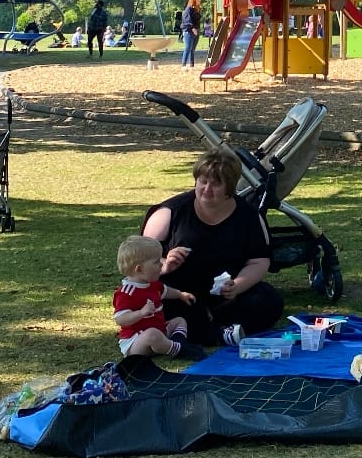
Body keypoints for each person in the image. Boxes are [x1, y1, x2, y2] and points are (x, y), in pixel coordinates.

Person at [142, 149, 284, 346]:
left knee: (269, 300)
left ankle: (206, 327)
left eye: (216, 183)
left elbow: (259, 261)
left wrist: (237, 285)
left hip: (225, 296)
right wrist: (164, 265)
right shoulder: (169, 213)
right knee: (154, 303)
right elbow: (139, 260)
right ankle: (216, 330)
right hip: (178, 294)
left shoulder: (249, 217)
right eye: (203, 181)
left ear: (230, 188)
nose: (207, 189)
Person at [112, 236, 202, 360]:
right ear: (139, 269)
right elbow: (121, 319)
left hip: (160, 333)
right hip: (136, 343)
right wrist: (141, 313)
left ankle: (178, 343)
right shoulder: (126, 292)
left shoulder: (152, 284)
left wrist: (180, 294)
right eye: (156, 262)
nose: (161, 264)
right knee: (152, 334)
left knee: (179, 321)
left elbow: (166, 291)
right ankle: (178, 350)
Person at [178, 0, 203, 69]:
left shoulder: (197, 9)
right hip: (188, 31)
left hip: (196, 31)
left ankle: (192, 65)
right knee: (188, 48)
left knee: (192, 49)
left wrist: (197, 29)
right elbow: (186, 20)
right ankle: (183, 65)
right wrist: (193, 28)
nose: (200, 0)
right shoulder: (188, 9)